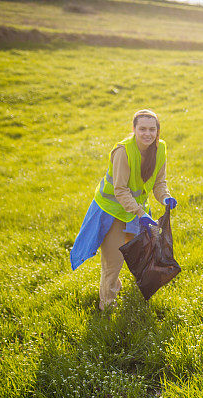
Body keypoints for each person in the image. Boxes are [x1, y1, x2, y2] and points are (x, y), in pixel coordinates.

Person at [70, 109, 177, 310]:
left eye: (152, 129)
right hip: (112, 211)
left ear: (157, 130)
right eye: (142, 129)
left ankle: (116, 287)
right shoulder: (123, 151)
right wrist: (140, 214)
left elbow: (159, 182)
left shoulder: (160, 148)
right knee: (113, 262)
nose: (147, 133)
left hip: (137, 211)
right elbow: (120, 190)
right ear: (134, 129)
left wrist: (165, 197)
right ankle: (106, 306)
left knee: (138, 253)